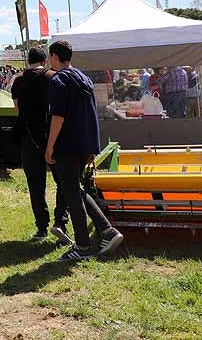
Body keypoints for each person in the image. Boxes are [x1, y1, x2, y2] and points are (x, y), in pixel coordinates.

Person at [45, 40, 124, 261]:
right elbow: (92, 113)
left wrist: (50, 145)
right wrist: (92, 146)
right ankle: (107, 231)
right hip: (84, 143)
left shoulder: (58, 80)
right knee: (77, 189)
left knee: (72, 194)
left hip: (66, 145)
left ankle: (82, 245)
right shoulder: (84, 78)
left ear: (54, 56)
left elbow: (57, 117)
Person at [11, 47, 68, 240]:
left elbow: (17, 108)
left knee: (35, 185)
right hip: (52, 135)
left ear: (28, 61)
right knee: (63, 181)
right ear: (45, 60)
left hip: (29, 137)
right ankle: (61, 220)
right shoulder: (53, 77)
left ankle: (41, 226)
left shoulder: (18, 80)